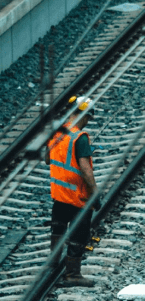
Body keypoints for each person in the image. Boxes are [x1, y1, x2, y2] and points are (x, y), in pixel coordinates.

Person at [48, 96, 98, 288]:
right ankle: (72, 274)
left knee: (58, 228)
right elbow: (86, 170)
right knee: (79, 234)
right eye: (88, 117)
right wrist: (95, 194)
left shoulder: (58, 133)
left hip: (59, 194)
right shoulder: (80, 138)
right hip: (77, 197)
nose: (87, 122)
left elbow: (47, 158)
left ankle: (52, 263)